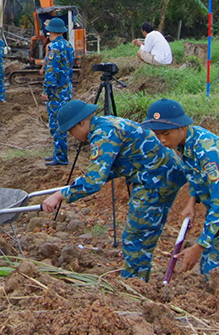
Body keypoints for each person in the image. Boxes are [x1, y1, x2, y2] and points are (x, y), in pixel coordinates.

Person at [42, 100, 186, 280]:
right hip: (160, 173)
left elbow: (94, 181)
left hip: (156, 178)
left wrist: (61, 195)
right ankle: (138, 269)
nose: (72, 135)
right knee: (143, 231)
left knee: (136, 234)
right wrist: (74, 186)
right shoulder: (104, 124)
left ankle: (134, 282)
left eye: (71, 131)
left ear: (81, 123)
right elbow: (111, 168)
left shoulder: (104, 133)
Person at [141, 98, 219, 276]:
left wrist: (198, 247)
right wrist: (191, 201)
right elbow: (198, 177)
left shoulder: (208, 152)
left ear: (182, 126)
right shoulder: (187, 144)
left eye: (166, 133)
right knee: (209, 266)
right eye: (157, 135)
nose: (162, 140)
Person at [41, 19, 74, 165]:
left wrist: (46, 90)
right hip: (66, 89)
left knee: (56, 124)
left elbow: (51, 72)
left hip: (56, 92)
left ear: (50, 30)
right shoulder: (68, 45)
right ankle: (58, 153)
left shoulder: (53, 47)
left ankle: (60, 157)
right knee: (61, 122)